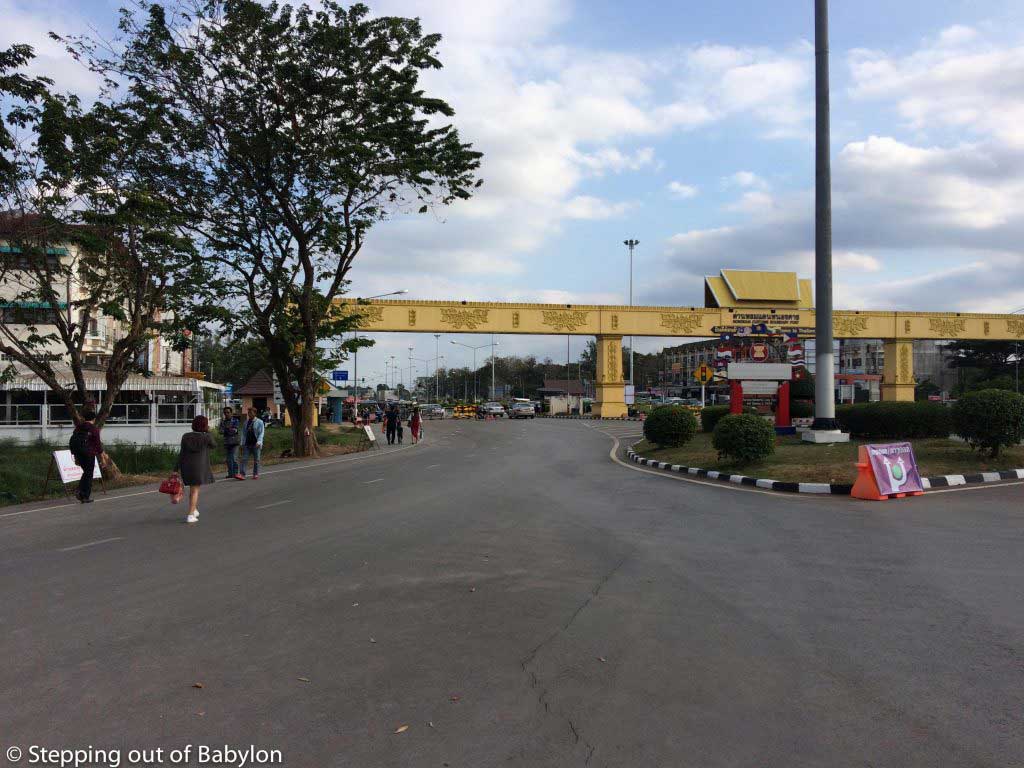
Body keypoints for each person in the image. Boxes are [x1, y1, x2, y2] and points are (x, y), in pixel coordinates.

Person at [175, 415, 215, 524]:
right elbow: (214, 445)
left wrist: (175, 468)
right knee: (195, 490)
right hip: (199, 467)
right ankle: (191, 515)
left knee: (193, 489)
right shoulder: (206, 437)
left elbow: (181, 453)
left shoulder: (185, 436)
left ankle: (194, 509)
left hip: (186, 466)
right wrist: (208, 432)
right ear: (205, 425)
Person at [69, 407, 103, 503]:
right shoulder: (94, 429)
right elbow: (98, 445)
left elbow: (74, 441)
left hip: (78, 453)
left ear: (84, 418)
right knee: (89, 474)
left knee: (86, 472)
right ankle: (83, 494)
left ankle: (81, 492)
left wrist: (75, 456)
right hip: (89, 453)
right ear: (94, 419)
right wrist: (102, 459)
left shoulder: (78, 427)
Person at [240, 407, 265, 479]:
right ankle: (242, 474)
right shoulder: (246, 422)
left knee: (256, 460)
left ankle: (255, 474)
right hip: (247, 443)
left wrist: (259, 441)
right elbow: (243, 433)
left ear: (255, 413)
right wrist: (242, 443)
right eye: (248, 413)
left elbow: (261, 433)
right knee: (244, 459)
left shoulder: (260, 422)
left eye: (251, 413)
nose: (249, 414)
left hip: (256, 444)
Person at [219, 406, 242, 480]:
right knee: (228, 459)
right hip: (227, 442)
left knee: (234, 458)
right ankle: (230, 474)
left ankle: (236, 473)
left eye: (228, 412)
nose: (226, 414)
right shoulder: (223, 421)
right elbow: (220, 431)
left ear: (231, 413)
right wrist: (229, 429)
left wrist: (226, 430)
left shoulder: (235, 421)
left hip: (235, 442)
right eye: (225, 412)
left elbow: (234, 430)